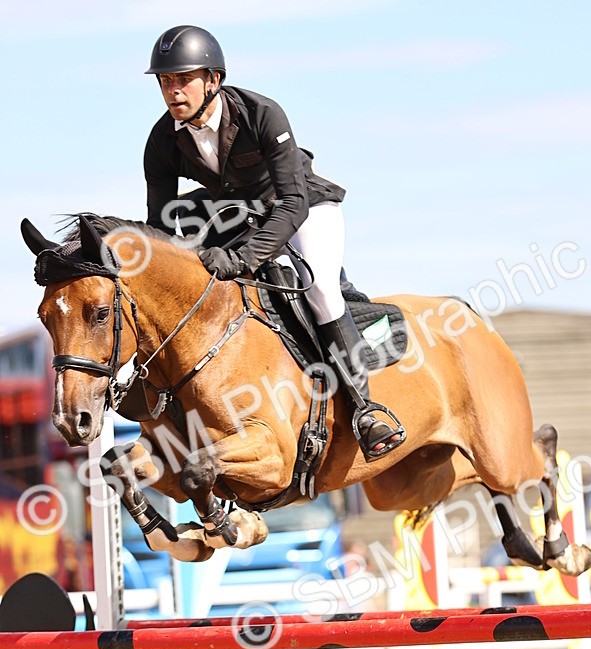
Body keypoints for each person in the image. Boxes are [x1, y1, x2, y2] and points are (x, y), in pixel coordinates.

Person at [143, 25, 404, 460]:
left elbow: (293, 202)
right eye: (165, 82)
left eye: (182, 79)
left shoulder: (262, 114)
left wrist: (244, 258)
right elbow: (163, 224)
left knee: (319, 287)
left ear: (213, 80)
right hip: (234, 212)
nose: (173, 91)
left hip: (302, 205)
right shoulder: (161, 140)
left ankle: (365, 409)